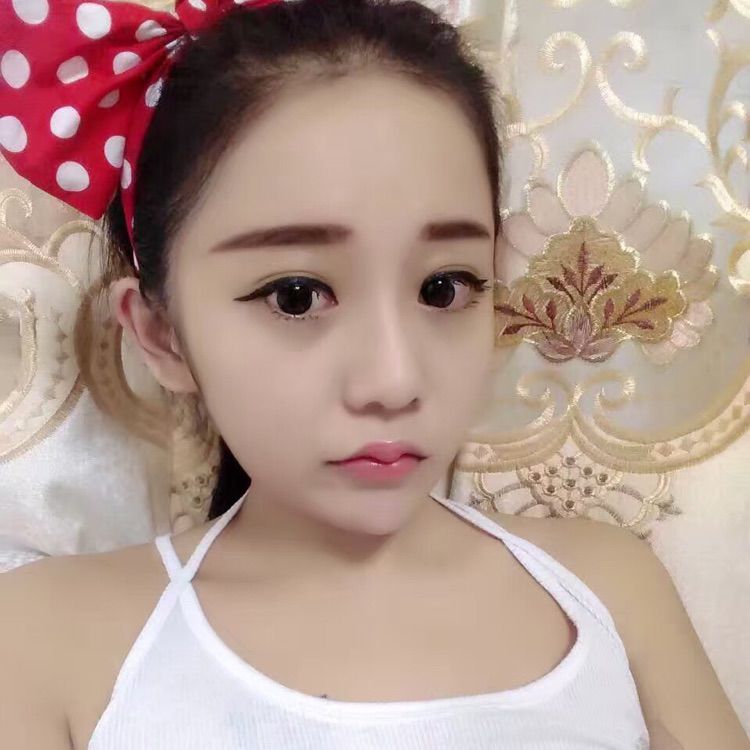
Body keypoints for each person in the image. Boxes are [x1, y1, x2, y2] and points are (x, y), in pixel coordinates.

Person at [0, 0, 747, 748]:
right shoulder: (45, 639)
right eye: (296, 296)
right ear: (161, 335)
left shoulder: (610, 592)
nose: (394, 380)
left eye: (444, 288)